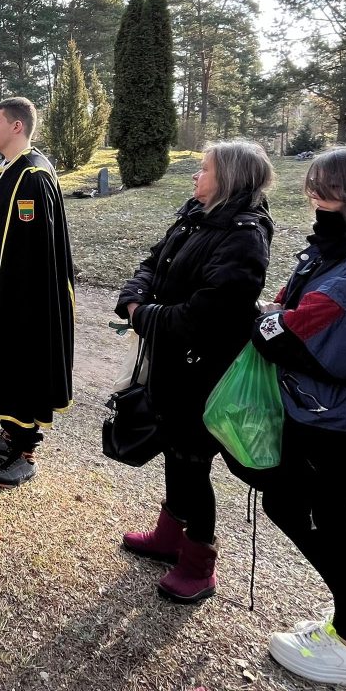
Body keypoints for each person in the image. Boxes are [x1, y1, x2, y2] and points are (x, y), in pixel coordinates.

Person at [248, 144, 346, 689]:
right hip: (345, 414)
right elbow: (290, 304)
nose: (315, 201)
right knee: (334, 519)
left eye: (326, 192)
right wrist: (277, 313)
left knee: (316, 513)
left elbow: (286, 334)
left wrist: (266, 319)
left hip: (340, 423)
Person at [114, 140, 274, 600]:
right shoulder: (197, 215)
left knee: (193, 460)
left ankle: (200, 562)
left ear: (229, 179)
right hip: (173, 359)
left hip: (203, 368)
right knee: (174, 448)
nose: (195, 176)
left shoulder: (245, 235)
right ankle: (170, 535)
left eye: (204, 169)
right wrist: (134, 297)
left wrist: (143, 315)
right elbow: (153, 261)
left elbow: (206, 315)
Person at [0, 97, 77, 490]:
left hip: (23, 300)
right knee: (2, 364)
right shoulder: (8, 171)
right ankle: (9, 436)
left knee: (23, 365)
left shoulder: (33, 176)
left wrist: (10, 296)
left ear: (17, 126)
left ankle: (25, 453)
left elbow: (33, 252)